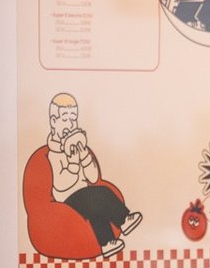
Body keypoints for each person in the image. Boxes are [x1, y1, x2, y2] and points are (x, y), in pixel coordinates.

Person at [46, 94, 140, 259]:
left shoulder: (77, 145)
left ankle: (107, 242)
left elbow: (93, 177)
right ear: (53, 122)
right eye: (65, 119)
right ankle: (123, 219)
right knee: (98, 195)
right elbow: (61, 184)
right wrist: (74, 164)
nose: (70, 124)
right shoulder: (54, 154)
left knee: (97, 207)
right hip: (67, 198)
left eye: (73, 119)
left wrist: (85, 157)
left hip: (83, 193)